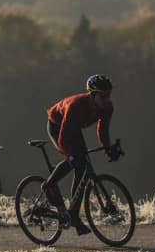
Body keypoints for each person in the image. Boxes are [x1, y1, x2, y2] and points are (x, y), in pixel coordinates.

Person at [43, 74, 122, 235]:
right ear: (92, 95)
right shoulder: (76, 106)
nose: (107, 99)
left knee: (83, 167)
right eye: (103, 96)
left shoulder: (107, 107)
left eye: (109, 95)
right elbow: (64, 139)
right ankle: (49, 185)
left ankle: (73, 213)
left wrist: (108, 149)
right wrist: (69, 155)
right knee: (74, 159)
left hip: (75, 127)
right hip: (58, 126)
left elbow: (103, 129)